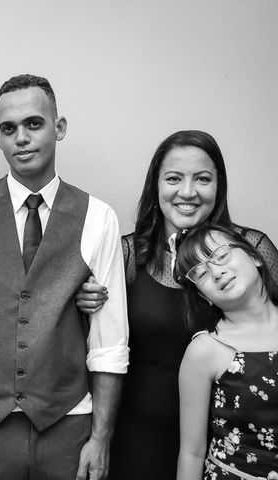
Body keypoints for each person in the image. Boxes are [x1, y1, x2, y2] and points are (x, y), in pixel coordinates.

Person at [0, 74, 129, 480]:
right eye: (9, 128)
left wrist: (100, 438)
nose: (22, 137)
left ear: (59, 127)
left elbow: (109, 342)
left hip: (68, 422)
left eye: (34, 124)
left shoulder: (98, 217)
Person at [76, 130, 278, 479]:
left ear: (219, 186)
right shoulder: (127, 255)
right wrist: (82, 303)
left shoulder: (251, 249)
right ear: (156, 186)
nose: (187, 192)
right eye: (173, 179)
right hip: (142, 434)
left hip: (236, 442)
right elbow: (95, 346)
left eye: (202, 178)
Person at [174, 225, 278, 480]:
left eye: (221, 256)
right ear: (203, 296)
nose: (217, 272)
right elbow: (192, 453)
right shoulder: (205, 351)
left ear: (255, 257)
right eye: (201, 273)